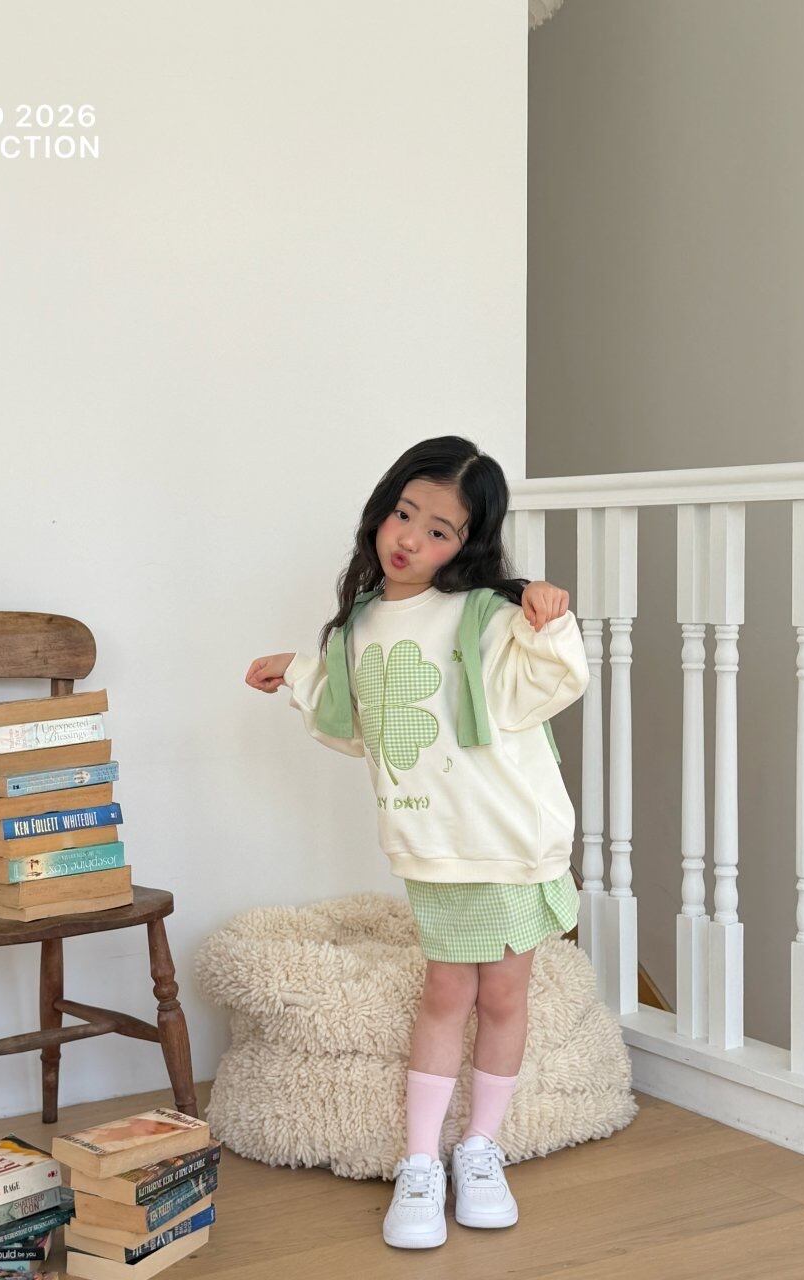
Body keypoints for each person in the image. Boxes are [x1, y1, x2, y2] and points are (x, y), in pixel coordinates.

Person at [244, 435, 589, 1250]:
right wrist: (299, 672)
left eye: (438, 530)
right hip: (434, 843)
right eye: (404, 514)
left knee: (502, 996)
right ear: (382, 509)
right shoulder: (360, 623)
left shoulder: (485, 616)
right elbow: (355, 722)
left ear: (466, 544)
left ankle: (480, 1149)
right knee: (446, 993)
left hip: (505, 839)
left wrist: (548, 621)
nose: (409, 539)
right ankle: (420, 1161)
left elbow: (546, 683)